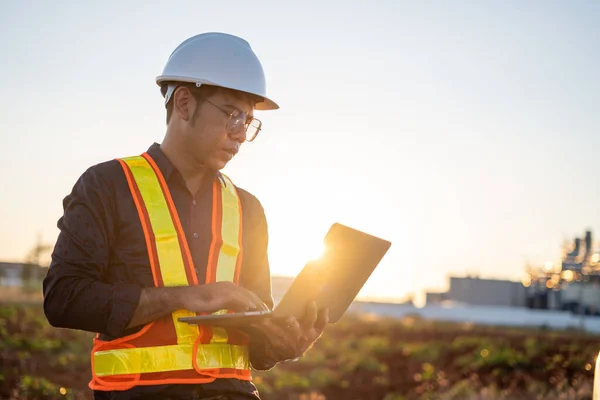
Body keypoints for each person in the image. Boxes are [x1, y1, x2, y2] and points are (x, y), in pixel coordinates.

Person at [43, 32, 329, 400]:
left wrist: (282, 344)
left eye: (249, 123)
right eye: (233, 115)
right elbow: (64, 299)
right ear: (184, 103)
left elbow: (255, 337)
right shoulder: (107, 186)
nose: (241, 135)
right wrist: (189, 297)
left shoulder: (249, 209)